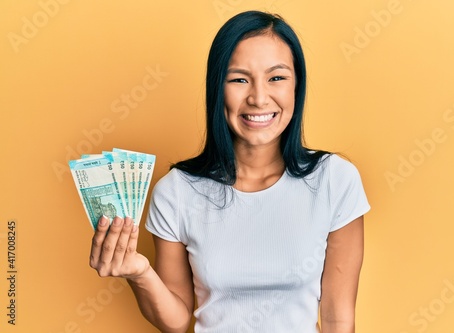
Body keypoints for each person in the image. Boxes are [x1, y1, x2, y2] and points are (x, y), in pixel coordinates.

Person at [89, 10, 370, 333]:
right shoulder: (176, 192)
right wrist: (139, 273)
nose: (259, 98)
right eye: (239, 79)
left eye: (276, 78)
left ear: (297, 86)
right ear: (217, 88)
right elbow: (178, 322)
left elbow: (338, 319)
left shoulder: (335, 181)